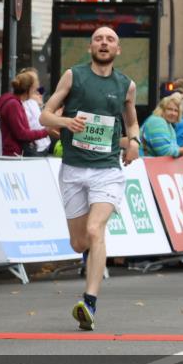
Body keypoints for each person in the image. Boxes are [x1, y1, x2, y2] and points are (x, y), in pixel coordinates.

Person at [40, 26, 140, 332]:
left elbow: (131, 121)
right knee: (78, 241)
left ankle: (90, 301)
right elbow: (45, 115)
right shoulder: (74, 76)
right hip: (73, 169)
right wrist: (65, 121)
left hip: (107, 170)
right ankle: (89, 262)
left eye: (110, 39)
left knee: (96, 230)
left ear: (118, 50)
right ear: (90, 47)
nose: (104, 43)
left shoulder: (126, 85)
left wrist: (134, 142)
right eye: (99, 39)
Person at [0, 68, 50, 157]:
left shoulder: (16, 103)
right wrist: (46, 132)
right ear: (28, 89)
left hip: (16, 154)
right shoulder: (13, 105)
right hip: (14, 155)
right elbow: (21, 134)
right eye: (34, 88)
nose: (36, 92)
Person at [140, 92, 183, 160]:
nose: (173, 113)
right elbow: (164, 152)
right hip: (144, 166)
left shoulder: (168, 124)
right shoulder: (157, 121)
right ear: (162, 110)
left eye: (176, 111)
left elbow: (173, 147)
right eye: (169, 109)